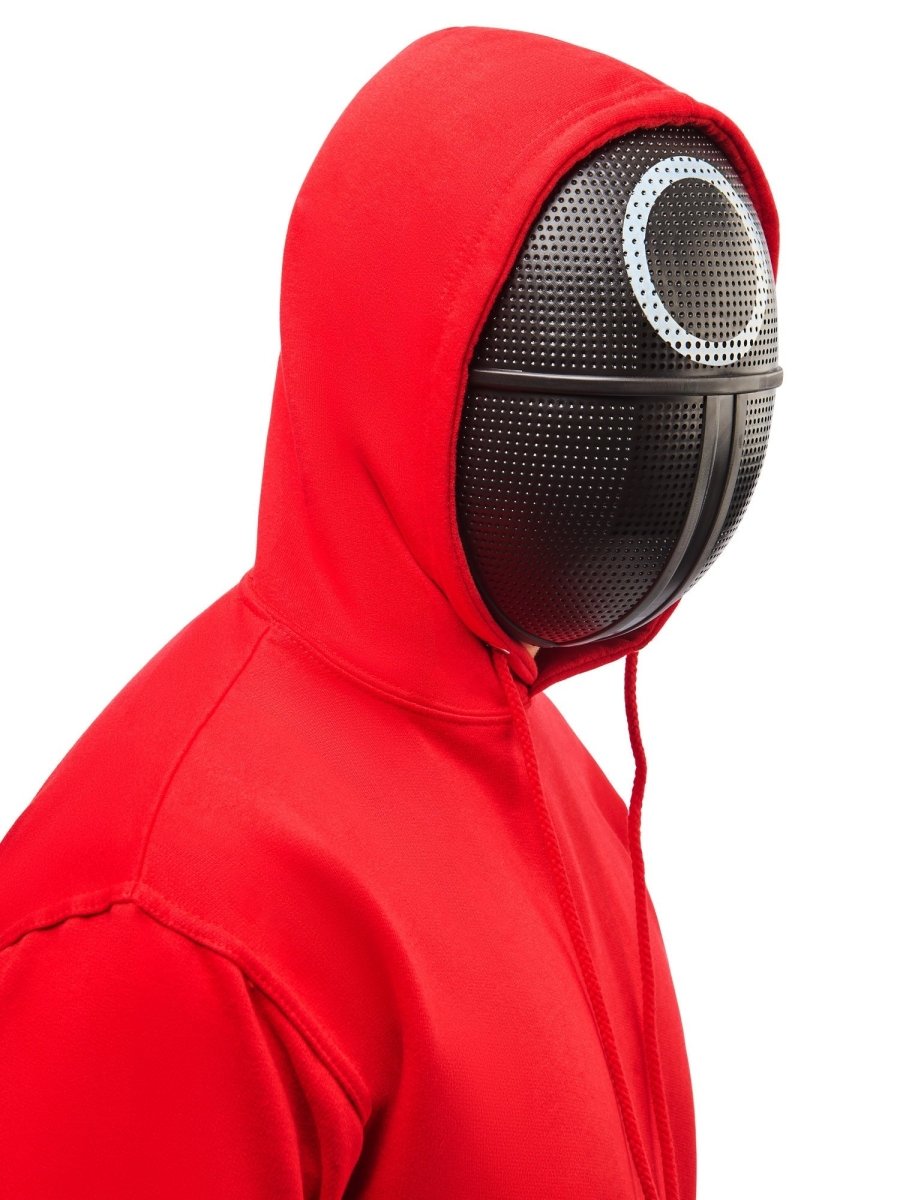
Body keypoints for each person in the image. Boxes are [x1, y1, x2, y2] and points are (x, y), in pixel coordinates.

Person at [0, 26, 780, 1200]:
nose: (680, 429)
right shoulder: (167, 913)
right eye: (597, 349)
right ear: (408, 348)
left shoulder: (544, 766)